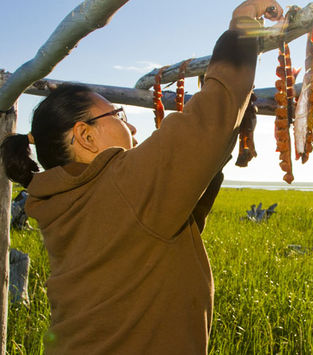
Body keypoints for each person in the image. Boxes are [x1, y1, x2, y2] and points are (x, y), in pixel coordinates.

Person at [0, 0, 283, 353]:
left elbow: (164, 220)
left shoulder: (61, 200)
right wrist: (241, 26)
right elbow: (212, 115)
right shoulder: (122, 185)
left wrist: (221, 146)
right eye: (117, 115)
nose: (130, 124)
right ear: (85, 136)